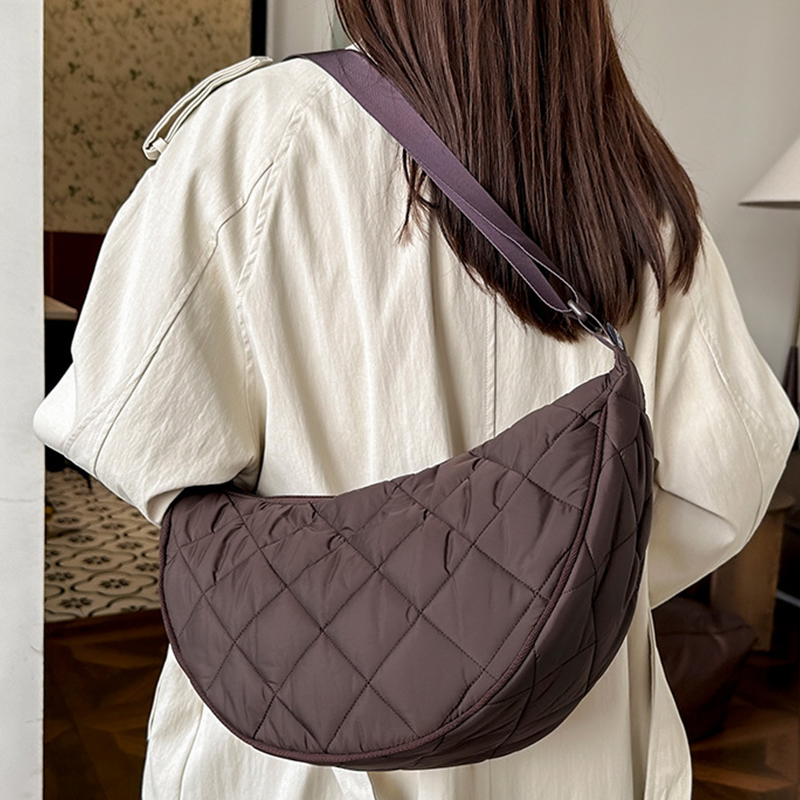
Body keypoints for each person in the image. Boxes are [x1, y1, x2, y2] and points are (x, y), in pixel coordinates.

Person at [34, 1, 798, 798]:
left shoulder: (260, 130)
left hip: (295, 725)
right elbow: (724, 482)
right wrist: (543, 593)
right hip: (573, 737)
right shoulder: (636, 186)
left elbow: (129, 432)